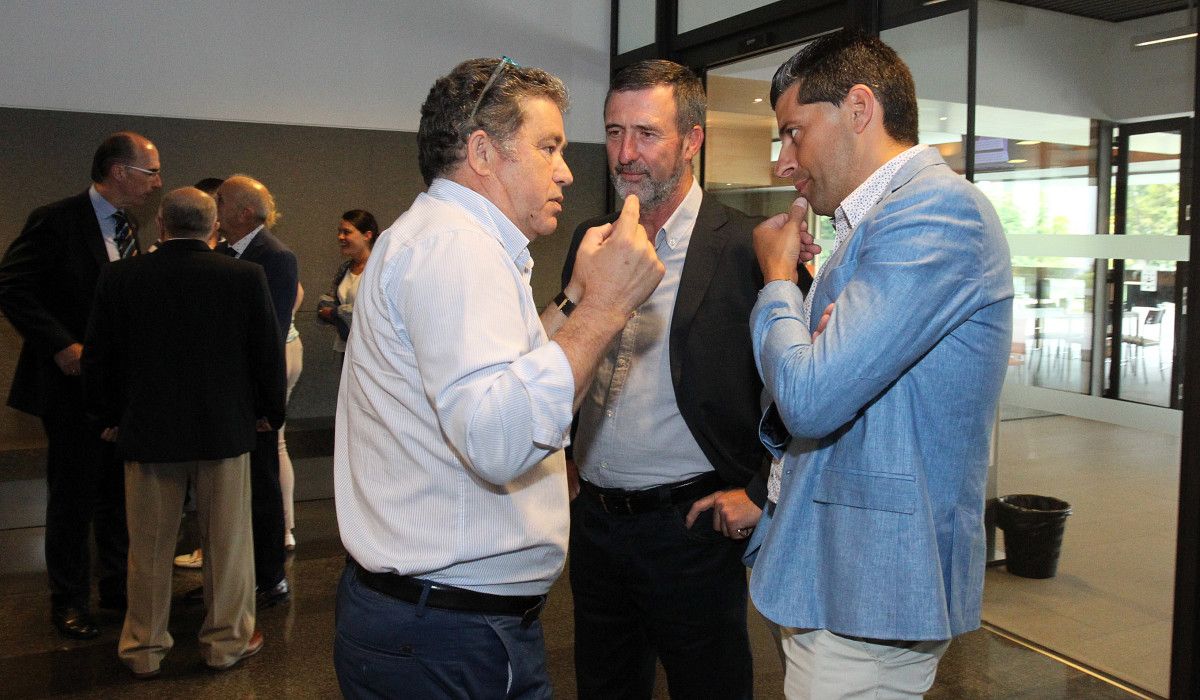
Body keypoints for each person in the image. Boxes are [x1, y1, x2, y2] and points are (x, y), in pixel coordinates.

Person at [333, 57, 664, 699]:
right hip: (448, 634)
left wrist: (572, 299)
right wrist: (605, 308)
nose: (566, 169)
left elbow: (501, 378)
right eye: (548, 147)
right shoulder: (458, 248)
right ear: (483, 152)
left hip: (430, 622)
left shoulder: (439, 236)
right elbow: (497, 437)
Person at [747, 31, 1014, 698]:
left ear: (859, 109)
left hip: (873, 587)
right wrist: (815, 335)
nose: (785, 162)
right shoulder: (877, 226)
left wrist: (778, 283)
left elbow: (809, 395)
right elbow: (823, 385)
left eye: (794, 133)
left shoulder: (936, 213)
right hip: (838, 576)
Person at [559, 59, 810, 699]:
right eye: (614, 132)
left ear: (693, 139)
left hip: (691, 530)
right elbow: (568, 353)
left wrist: (760, 490)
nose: (625, 154)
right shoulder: (591, 241)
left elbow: (804, 372)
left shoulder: (743, 246)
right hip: (596, 527)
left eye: (646, 133)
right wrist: (562, 452)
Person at [82, 187, 285, 677]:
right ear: (214, 227)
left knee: (147, 548)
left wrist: (107, 417)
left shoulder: (120, 276)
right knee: (227, 546)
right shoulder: (244, 276)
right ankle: (225, 643)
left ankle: (144, 649)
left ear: (161, 226)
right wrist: (267, 414)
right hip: (224, 431)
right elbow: (267, 354)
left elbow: (99, 357)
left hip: (148, 433)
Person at [0, 131, 160, 639]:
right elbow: (11, 284)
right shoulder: (56, 219)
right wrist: (59, 343)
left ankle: (114, 586)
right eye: (150, 172)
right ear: (118, 172)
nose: (157, 183)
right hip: (68, 386)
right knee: (72, 494)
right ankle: (67, 599)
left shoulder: (130, 227)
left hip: (117, 388)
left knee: (116, 491)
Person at [214, 174, 297, 607]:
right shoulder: (225, 253)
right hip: (229, 393)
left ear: (245, 212)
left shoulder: (274, 257)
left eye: (221, 200)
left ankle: (270, 576)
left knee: (262, 487)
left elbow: (271, 332)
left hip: (253, 393)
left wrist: (267, 402)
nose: (215, 205)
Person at [317, 209, 378, 355]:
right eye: (339, 232)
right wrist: (337, 313)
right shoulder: (345, 268)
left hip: (371, 352)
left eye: (347, 232)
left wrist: (334, 313)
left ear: (367, 235)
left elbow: (370, 313)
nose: (340, 237)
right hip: (346, 348)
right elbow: (326, 303)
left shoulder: (378, 269)